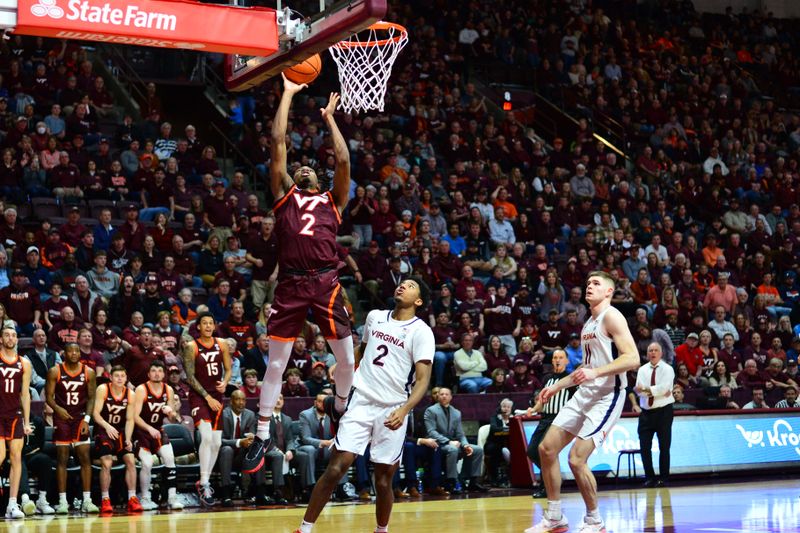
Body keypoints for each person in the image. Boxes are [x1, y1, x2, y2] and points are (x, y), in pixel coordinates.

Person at [245, 78, 354, 475]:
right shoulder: (284, 196)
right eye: (299, 166)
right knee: (275, 365)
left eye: (309, 167)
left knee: (346, 358)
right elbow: (277, 143)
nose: (302, 167)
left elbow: (343, 161)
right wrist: (289, 94)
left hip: (326, 281)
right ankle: (260, 435)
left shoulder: (332, 199)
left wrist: (329, 119)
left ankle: (341, 408)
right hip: (291, 282)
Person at [294, 277, 434, 533]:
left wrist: (404, 411)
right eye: (402, 283)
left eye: (411, 286)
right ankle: (304, 528)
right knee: (336, 468)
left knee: (383, 481)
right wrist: (345, 364)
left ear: (419, 300)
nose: (403, 286)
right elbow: (364, 349)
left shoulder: (421, 331)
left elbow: (423, 381)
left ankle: (381, 530)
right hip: (361, 400)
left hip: (393, 408)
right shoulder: (375, 316)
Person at [527, 271, 639, 533]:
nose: (589, 286)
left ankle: (594, 521)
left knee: (577, 459)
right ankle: (555, 517)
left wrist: (596, 373)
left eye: (596, 284)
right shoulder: (589, 322)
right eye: (588, 283)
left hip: (607, 395)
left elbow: (633, 358)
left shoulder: (612, 316)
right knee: (546, 449)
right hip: (586, 392)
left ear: (609, 292)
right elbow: (586, 368)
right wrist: (557, 386)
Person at [181, 312, 232, 506]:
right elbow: (190, 378)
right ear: (199, 327)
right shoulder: (191, 347)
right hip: (199, 397)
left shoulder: (222, 344)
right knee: (207, 437)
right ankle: (204, 482)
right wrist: (208, 397)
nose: (209, 326)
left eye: (211, 323)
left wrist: (225, 383)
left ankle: (204, 481)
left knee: (217, 443)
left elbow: (228, 369)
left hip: (217, 396)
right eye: (205, 323)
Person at [45, 342, 99, 514]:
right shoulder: (55, 371)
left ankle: (87, 500)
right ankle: (62, 501)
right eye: (71, 351)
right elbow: (48, 396)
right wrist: (57, 409)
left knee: (84, 457)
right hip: (62, 418)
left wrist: (87, 420)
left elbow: (92, 398)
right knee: (62, 458)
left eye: (77, 350)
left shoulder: (88, 372)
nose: (75, 353)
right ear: (64, 354)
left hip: (80, 418)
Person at [132, 360, 183, 510]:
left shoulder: (168, 390)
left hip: (158, 430)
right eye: (153, 371)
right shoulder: (141, 389)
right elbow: (135, 416)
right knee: (147, 463)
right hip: (141, 431)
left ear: (163, 374)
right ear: (148, 374)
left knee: (170, 458)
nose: (157, 373)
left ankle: (172, 497)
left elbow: (173, 418)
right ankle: (145, 497)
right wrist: (149, 429)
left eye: (160, 371)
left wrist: (171, 412)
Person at [92, 365, 142, 513]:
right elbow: (95, 413)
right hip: (103, 429)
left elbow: (129, 420)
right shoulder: (103, 389)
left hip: (120, 431)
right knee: (107, 461)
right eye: (117, 376)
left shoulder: (131, 394)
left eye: (122, 376)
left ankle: (132, 498)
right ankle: (105, 499)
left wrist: (127, 438)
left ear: (126, 378)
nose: (120, 378)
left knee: (130, 460)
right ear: (111, 377)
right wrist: (107, 426)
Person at [526, 349, 574, 499]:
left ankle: (547, 487)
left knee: (547, 452)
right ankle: (554, 476)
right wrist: (533, 409)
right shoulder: (547, 379)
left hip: (559, 420)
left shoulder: (571, 380)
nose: (558, 360)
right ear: (552, 361)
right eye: (555, 358)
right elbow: (542, 401)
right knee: (532, 451)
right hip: (544, 419)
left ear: (567, 361)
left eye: (561, 357)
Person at [424, 387, 487, 494]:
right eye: (441, 394)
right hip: (437, 443)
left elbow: (460, 434)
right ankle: (452, 482)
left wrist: (466, 445)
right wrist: (448, 441)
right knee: (452, 449)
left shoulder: (456, 412)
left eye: (446, 394)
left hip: (454, 443)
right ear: (438, 396)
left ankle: (472, 481)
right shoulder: (431, 410)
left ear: (451, 397)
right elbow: (431, 432)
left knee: (477, 450)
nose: (444, 396)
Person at [0, 327, 33, 519]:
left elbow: (25, 394)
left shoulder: (24, 363)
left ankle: (12, 505)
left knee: (16, 458)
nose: (10, 338)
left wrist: (27, 421)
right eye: (7, 335)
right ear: (1, 339)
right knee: (1, 456)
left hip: (15, 415)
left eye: (13, 335)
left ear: (17, 340)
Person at [633, 342, 675, 488]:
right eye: (650, 350)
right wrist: (652, 390)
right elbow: (638, 390)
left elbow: (664, 388)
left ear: (661, 353)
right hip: (646, 413)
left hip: (664, 411)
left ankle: (664, 478)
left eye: (656, 350)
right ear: (647, 353)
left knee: (664, 446)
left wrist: (646, 389)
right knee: (644, 447)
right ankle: (650, 478)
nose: (653, 353)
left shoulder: (668, 369)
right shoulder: (642, 370)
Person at [218, 390, 268, 506]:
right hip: (223, 455)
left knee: (258, 449)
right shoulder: (223, 415)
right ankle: (226, 494)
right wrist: (240, 442)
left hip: (242, 454)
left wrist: (252, 439)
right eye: (238, 399)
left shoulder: (249, 415)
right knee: (227, 450)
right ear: (231, 401)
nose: (241, 403)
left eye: (243, 400)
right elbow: (219, 440)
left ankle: (260, 493)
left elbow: (252, 436)